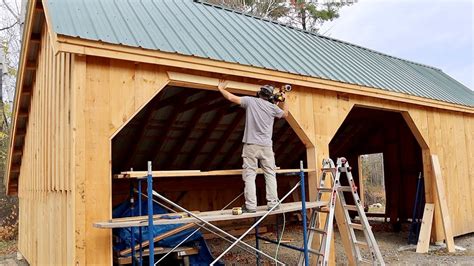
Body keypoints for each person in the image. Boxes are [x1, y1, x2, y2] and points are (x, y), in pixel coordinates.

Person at [217, 79, 289, 213]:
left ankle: (250, 206)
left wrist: (221, 89)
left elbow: (232, 97)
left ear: (259, 93)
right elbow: (285, 114)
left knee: (250, 175)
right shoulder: (273, 108)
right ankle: (273, 203)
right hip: (267, 147)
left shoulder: (250, 101)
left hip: (251, 145)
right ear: (270, 97)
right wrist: (286, 99)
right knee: (270, 174)